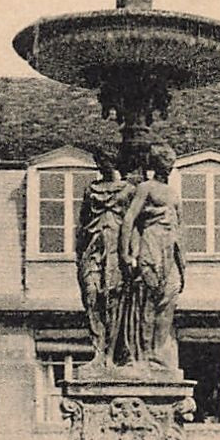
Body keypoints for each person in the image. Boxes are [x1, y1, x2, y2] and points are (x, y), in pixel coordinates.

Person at [116, 143, 185, 370]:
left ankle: (158, 351)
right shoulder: (145, 188)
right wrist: (125, 253)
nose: (169, 168)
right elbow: (129, 219)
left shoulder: (174, 194)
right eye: (166, 164)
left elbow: (180, 230)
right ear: (156, 165)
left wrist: (182, 266)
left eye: (171, 164)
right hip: (151, 245)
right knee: (148, 301)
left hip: (170, 249)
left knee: (169, 300)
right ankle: (143, 354)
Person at [76, 149, 129, 366]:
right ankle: (97, 350)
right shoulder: (91, 190)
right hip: (93, 246)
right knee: (91, 295)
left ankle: (111, 353)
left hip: (117, 249)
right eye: (98, 161)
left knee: (113, 300)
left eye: (105, 161)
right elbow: (82, 223)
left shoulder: (129, 190)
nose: (101, 165)